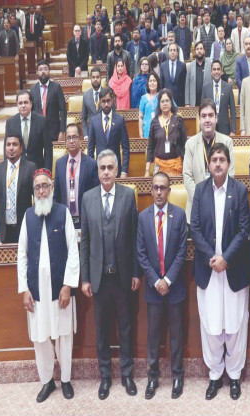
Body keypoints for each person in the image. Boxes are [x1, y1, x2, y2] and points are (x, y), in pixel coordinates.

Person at [190, 143, 250, 401]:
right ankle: (215, 374)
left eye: (222, 159)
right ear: (208, 164)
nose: (217, 163)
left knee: (235, 323)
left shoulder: (239, 191)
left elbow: (244, 230)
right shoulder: (200, 191)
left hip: (233, 268)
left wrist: (226, 258)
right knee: (212, 324)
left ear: (228, 164)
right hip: (208, 269)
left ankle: (234, 375)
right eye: (214, 159)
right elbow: (194, 228)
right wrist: (212, 259)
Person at [80, 150, 140, 400]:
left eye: (109, 168)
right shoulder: (87, 198)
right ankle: (105, 376)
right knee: (102, 328)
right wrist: (85, 278)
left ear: (116, 171)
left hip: (123, 276)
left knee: (126, 327)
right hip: (99, 278)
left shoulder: (128, 196)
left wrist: (137, 272)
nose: (105, 172)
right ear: (98, 172)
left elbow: (136, 238)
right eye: (102, 168)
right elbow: (85, 241)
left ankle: (127, 374)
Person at [17, 169, 80, 403]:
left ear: (52, 188)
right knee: (40, 336)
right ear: (34, 192)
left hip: (59, 289)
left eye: (45, 186)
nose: (42, 190)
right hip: (36, 291)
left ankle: (65, 380)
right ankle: (47, 381)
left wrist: (68, 286)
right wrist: (24, 289)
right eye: (37, 187)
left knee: (64, 335)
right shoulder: (28, 216)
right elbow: (21, 255)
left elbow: (73, 252)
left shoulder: (63, 213)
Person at [136, 173, 188, 400]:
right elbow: (141, 253)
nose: (158, 192)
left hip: (174, 286)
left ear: (169, 190)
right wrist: (156, 281)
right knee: (154, 335)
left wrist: (168, 280)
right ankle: (152, 377)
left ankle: (177, 376)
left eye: (163, 188)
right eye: (155, 188)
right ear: (151, 190)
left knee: (176, 334)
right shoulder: (143, 217)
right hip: (153, 287)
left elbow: (181, 252)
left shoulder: (179, 215)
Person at [183, 99, 235, 221]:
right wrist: (202, 200)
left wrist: (216, 198)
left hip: (221, 206)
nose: (207, 120)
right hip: (196, 209)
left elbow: (230, 174)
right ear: (199, 119)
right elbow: (187, 175)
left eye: (211, 115)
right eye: (204, 116)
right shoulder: (190, 144)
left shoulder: (227, 142)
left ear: (216, 119)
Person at [0, 134, 36, 243]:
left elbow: (36, 198)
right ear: (5, 148)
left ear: (21, 148)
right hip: (3, 229)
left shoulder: (30, 168)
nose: (11, 148)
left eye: (15, 144)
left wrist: (36, 223)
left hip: (24, 228)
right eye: (8, 145)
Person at [53, 123, 99, 229]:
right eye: (68, 138)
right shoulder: (59, 164)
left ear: (81, 139)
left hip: (86, 220)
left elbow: (96, 195)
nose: (71, 141)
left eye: (74, 137)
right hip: (65, 221)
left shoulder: (91, 163)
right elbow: (56, 196)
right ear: (65, 141)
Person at [87, 88, 130, 178]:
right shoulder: (94, 121)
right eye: (103, 101)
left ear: (113, 100)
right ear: (99, 102)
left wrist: (124, 171)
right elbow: (90, 150)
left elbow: (126, 148)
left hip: (115, 168)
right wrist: (91, 171)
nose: (106, 104)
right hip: (100, 169)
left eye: (108, 101)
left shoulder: (120, 120)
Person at [5, 90, 52, 171]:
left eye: (26, 102)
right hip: (18, 170)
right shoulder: (10, 123)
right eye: (20, 103)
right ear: (17, 105)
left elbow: (48, 150)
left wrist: (46, 172)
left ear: (31, 103)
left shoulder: (42, 121)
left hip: (38, 169)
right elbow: (7, 149)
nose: (23, 106)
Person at [145, 89, 187, 177]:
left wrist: (186, 168)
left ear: (171, 103)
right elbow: (150, 147)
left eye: (167, 101)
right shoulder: (154, 122)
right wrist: (147, 171)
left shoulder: (178, 120)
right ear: (159, 104)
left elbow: (184, 146)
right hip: (159, 167)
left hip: (176, 166)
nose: (165, 103)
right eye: (162, 101)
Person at [31, 60, 67, 142]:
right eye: (40, 70)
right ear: (37, 73)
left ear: (49, 71)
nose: (43, 72)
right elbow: (31, 111)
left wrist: (62, 131)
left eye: (45, 69)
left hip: (54, 131)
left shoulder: (56, 87)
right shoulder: (33, 90)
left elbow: (63, 110)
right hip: (38, 131)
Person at [204, 60, 236, 136]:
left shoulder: (228, 87)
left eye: (218, 69)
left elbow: (233, 110)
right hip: (210, 126)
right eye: (214, 69)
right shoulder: (205, 87)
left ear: (221, 71)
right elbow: (203, 109)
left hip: (225, 128)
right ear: (211, 72)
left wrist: (233, 130)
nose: (216, 72)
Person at [81, 68, 106, 139]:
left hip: (105, 132)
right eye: (93, 77)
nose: (95, 79)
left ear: (101, 78)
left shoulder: (107, 93)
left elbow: (112, 114)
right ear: (90, 79)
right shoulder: (86, 95)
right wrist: (85, 135)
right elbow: (83, 118)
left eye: (97, 77)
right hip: (90, 133)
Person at [160, 43, 187, 107]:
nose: (172, 52)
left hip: (179, 100)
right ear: (168, 52)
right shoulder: (163, 66)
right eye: (171, 50)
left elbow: (184, 84)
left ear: (177, 53)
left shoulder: (182, 66)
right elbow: (161, 84)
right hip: (166, 100)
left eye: (174, 50)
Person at [138, 72, 162, 139]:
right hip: (147, 131)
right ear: (148, 83)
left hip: (160, 129)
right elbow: (140, 117)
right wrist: (141, 134)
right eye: (150, 81)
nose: (152, 83)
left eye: (154, 81)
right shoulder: (143, 98)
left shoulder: (162, 96)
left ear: (158, 82)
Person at [184, 41, 206, 107]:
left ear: (204, 51)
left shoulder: (210, 64)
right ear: (195, 51)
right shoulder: (190, 66)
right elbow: (187, 86)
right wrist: (187, 103)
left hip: (207, 102)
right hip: (193, 103)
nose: (199, 51)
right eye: (197, 49)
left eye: (201, 49)